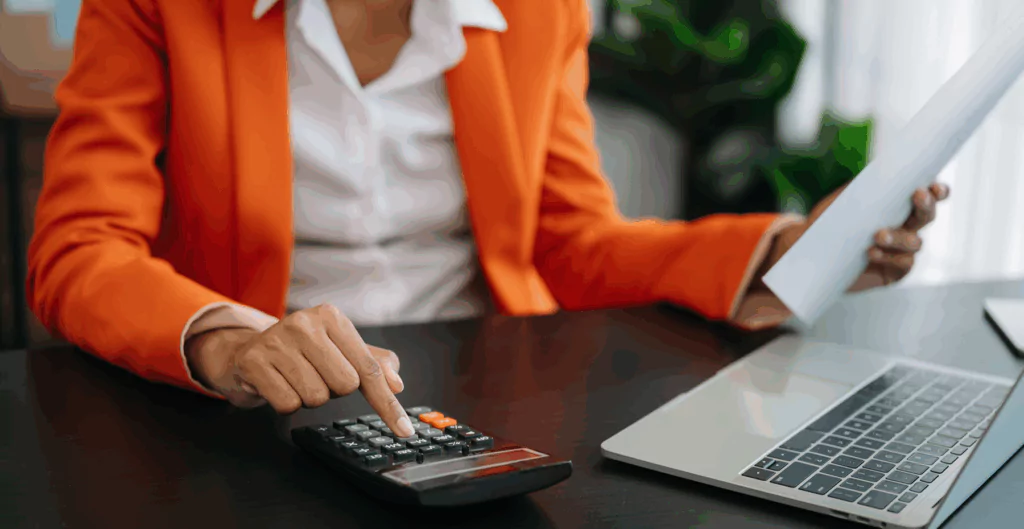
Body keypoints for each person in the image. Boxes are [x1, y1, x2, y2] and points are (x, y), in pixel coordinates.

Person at [27, 0, 948, 439]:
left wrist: (781, 253)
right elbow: (80, 246)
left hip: (482, 398)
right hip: (252, 417)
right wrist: (227, 338)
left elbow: (576, 241)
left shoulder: (537, 13)